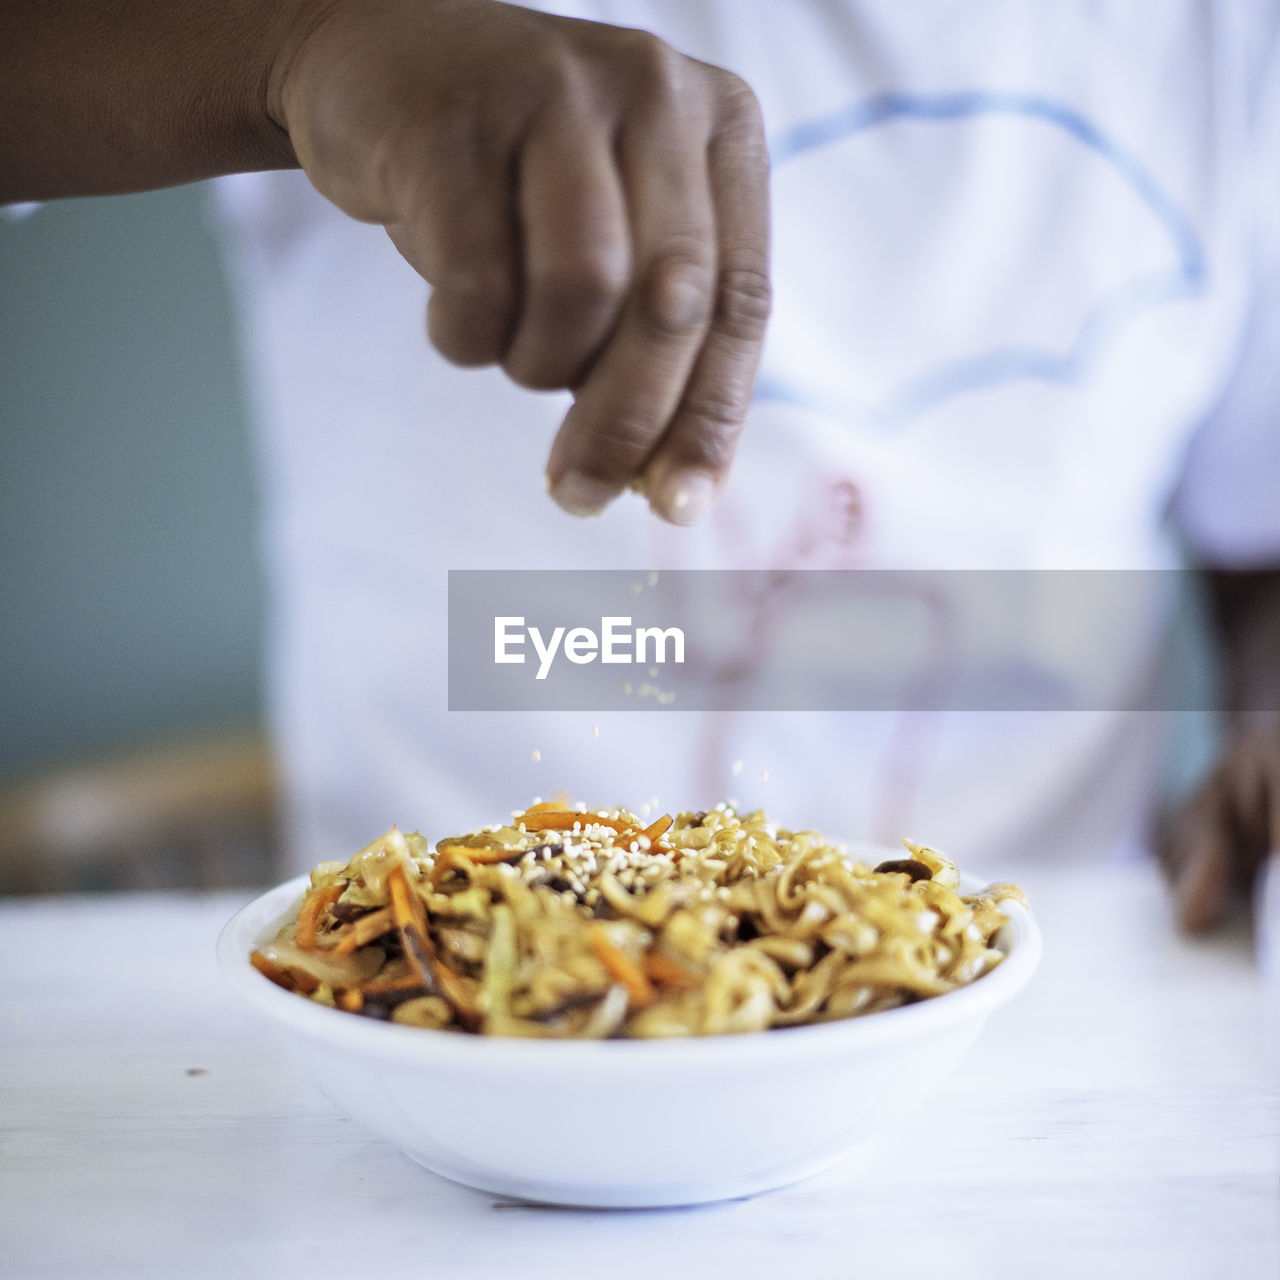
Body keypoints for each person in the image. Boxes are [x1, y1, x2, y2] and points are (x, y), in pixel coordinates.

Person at [4, 0, 1278, 931]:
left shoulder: (1219, 40)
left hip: (1052, 1021)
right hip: (431, 1022)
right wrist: (294, 45)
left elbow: (1257, 539)